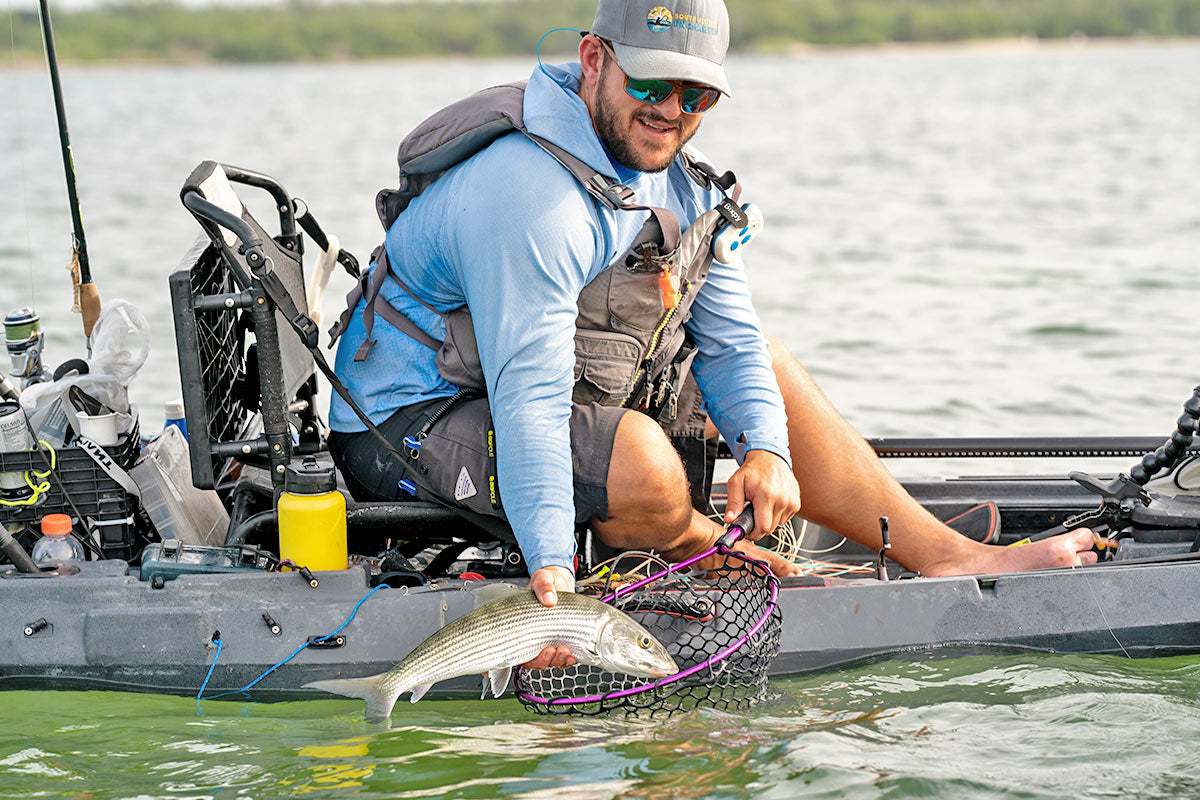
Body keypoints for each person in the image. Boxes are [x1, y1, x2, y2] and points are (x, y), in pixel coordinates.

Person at [329, 0, 1097, 668]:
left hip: (544, 390)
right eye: (652, 84)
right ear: (593, 60)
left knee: (771, 367)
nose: (671, 108)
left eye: (696, 93)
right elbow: (528, 401)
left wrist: (765, 449)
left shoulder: (687, 184)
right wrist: (553, 579)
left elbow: (731, 343)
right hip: (403, 426)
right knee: (641, 466)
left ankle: (945, 555)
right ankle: (706, 546)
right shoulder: (532, 198)